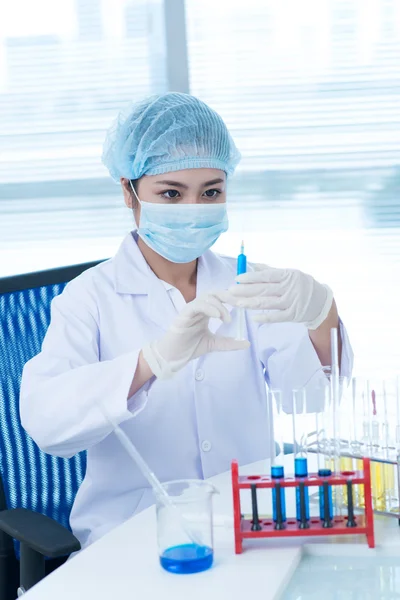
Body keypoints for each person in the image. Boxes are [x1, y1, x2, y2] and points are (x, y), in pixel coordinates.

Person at [20, 92, 352, 550]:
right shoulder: (89, 298)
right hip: (132, 541)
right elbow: (47, 425)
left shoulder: (250, 288)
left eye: (210, 191)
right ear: (128, 191)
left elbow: (314, 395)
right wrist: (151, 361)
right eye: (171, 193)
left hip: (247, 527)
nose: (193, 208)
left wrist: (322, 312)